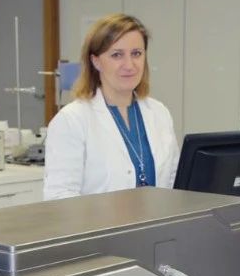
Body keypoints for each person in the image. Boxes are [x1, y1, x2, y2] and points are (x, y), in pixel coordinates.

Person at [42, 13, 178, 199]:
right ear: (96, 61)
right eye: (117, 55)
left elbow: (174, 182)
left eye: (136, 54)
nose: (129, 65)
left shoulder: (159, 113)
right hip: (98, 219)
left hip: (159, 218)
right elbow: (59, 196)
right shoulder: (72, 120)